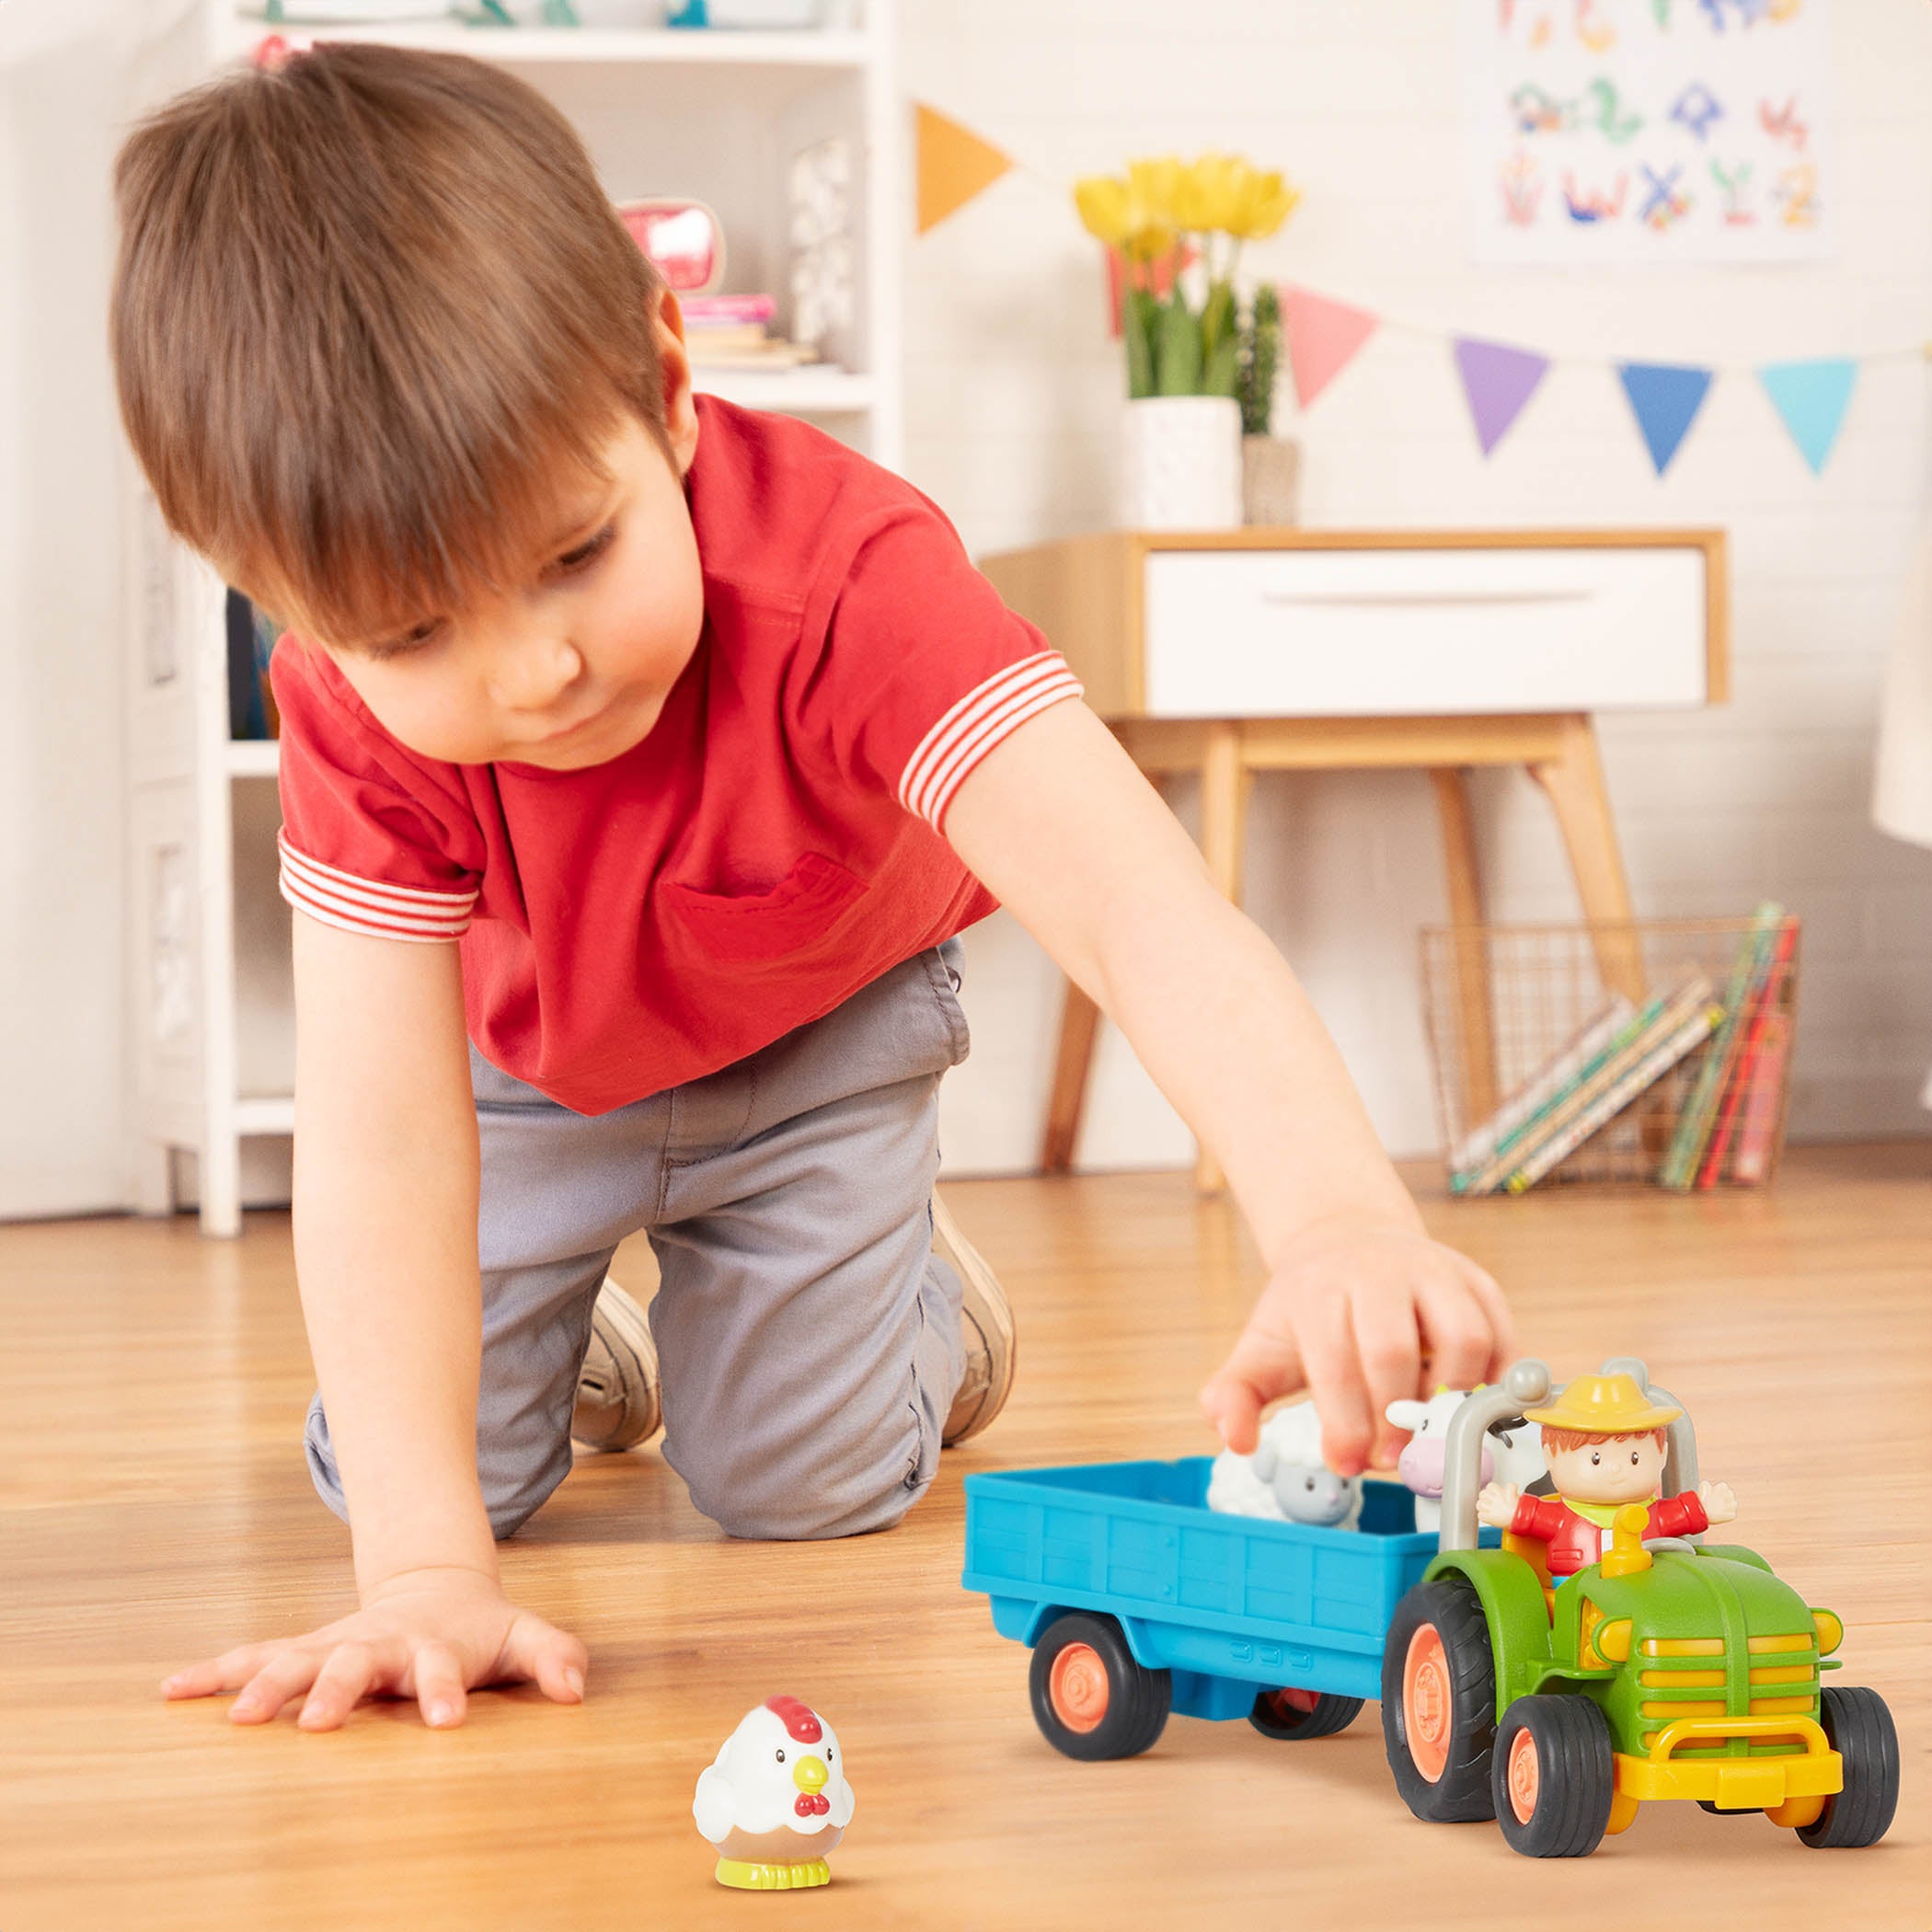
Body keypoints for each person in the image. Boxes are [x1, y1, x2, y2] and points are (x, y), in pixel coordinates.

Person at [111, 43, 1512, 1732]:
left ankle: (935, 1313)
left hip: (818, 1039)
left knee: (801, 1486)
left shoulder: (852, 579)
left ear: (667, 382)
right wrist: (425, 1569)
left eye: (577, 552)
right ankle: (592, 1355)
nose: (540, 667)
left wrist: (1339, 1217)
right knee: (407, 1472)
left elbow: (1140, 910)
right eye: (418, 634)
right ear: (283, 609)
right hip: (531, 1076)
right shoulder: (344, 707)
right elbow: (384, 1136)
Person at [1477, 1373, 1736, 1577]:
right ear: (1550, 1457)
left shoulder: (1651, 1515)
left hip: (1651, 1588)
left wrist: (1704, 1508)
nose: (1615, 1469)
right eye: (1596, 1459)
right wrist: (1510, 1511)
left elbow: (1680, 1513)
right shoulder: (1561, 1517)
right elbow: (1534, 1515)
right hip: (1573, 1594)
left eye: (1635, 1458)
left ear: (1663, 1455)